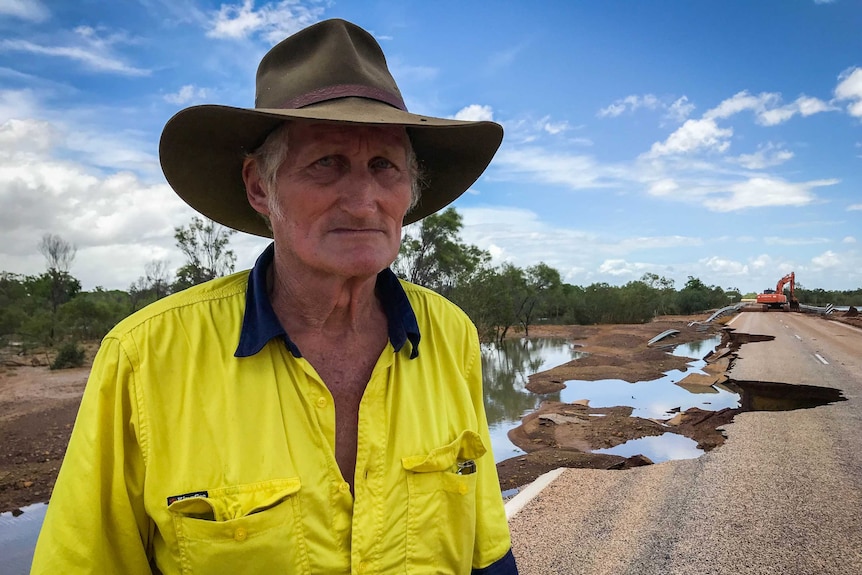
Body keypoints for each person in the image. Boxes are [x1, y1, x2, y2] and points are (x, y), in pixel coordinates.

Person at [31, 18, 517, 575]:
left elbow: (485, 549)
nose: (363, 202)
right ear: (260, 186)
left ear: (408, 189)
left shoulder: (450, 334)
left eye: (383, 166)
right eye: (326, 163)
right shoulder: (145, 357)